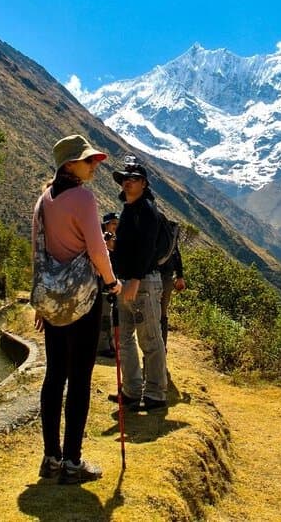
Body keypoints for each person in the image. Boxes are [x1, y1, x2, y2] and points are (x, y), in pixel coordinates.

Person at [33, 134, 122, 485]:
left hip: (53, 299)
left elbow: (37, 253)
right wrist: (112, 282)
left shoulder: (44, 200)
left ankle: (50, 457)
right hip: (83, 297)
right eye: (88, 161)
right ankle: (73, 462)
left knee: (54, 374)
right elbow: (98, 250)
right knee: (80, 378)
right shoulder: (83, 198)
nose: (94, 165)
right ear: (70, 165)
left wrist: (40, 300)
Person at [109, 157, 167, 411]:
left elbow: (146, 249)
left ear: (144, 183)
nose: (127, 183)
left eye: (132, 179)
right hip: (127, 282)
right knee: (124, 340)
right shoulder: (130, 210)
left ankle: (156, 393)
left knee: (150, 339)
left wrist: (134, 279)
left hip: (141, 282)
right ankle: (131, 390)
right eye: (124, 180)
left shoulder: (147, 212)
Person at [97, 212, 119, 358]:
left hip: (112, 283)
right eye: (113, 224)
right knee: (104, 316)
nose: (115, 227)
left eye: (117, 224)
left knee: (111, 317)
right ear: (106, 224)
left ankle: (110, 344)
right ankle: (102, 346)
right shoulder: (99, 239)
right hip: (102, 285)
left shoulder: (115, 239)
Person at [159, 244, 186, 351]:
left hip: (163, 275)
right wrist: (180, 276)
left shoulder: (172, 228)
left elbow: (175, 250)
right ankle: (159, 351)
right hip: (165, 276)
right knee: (161, 314)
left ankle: (160, 351)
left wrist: (180, 276)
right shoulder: (172, 227)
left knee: (161, 314)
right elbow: (176, 251)